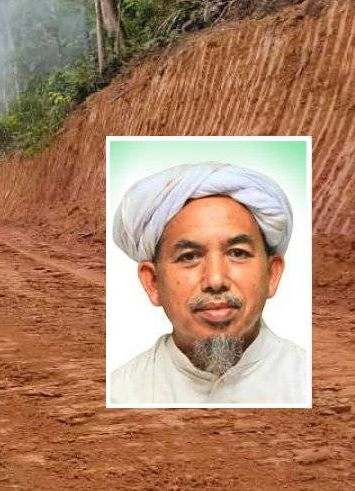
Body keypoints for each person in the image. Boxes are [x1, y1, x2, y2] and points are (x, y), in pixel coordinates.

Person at [109, 161, 310, 405]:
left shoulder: (308, 383)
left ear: (272, 274)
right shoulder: (121, 394)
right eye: (189, 257)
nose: (215, 280)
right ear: (152, 283)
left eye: (237, 253)